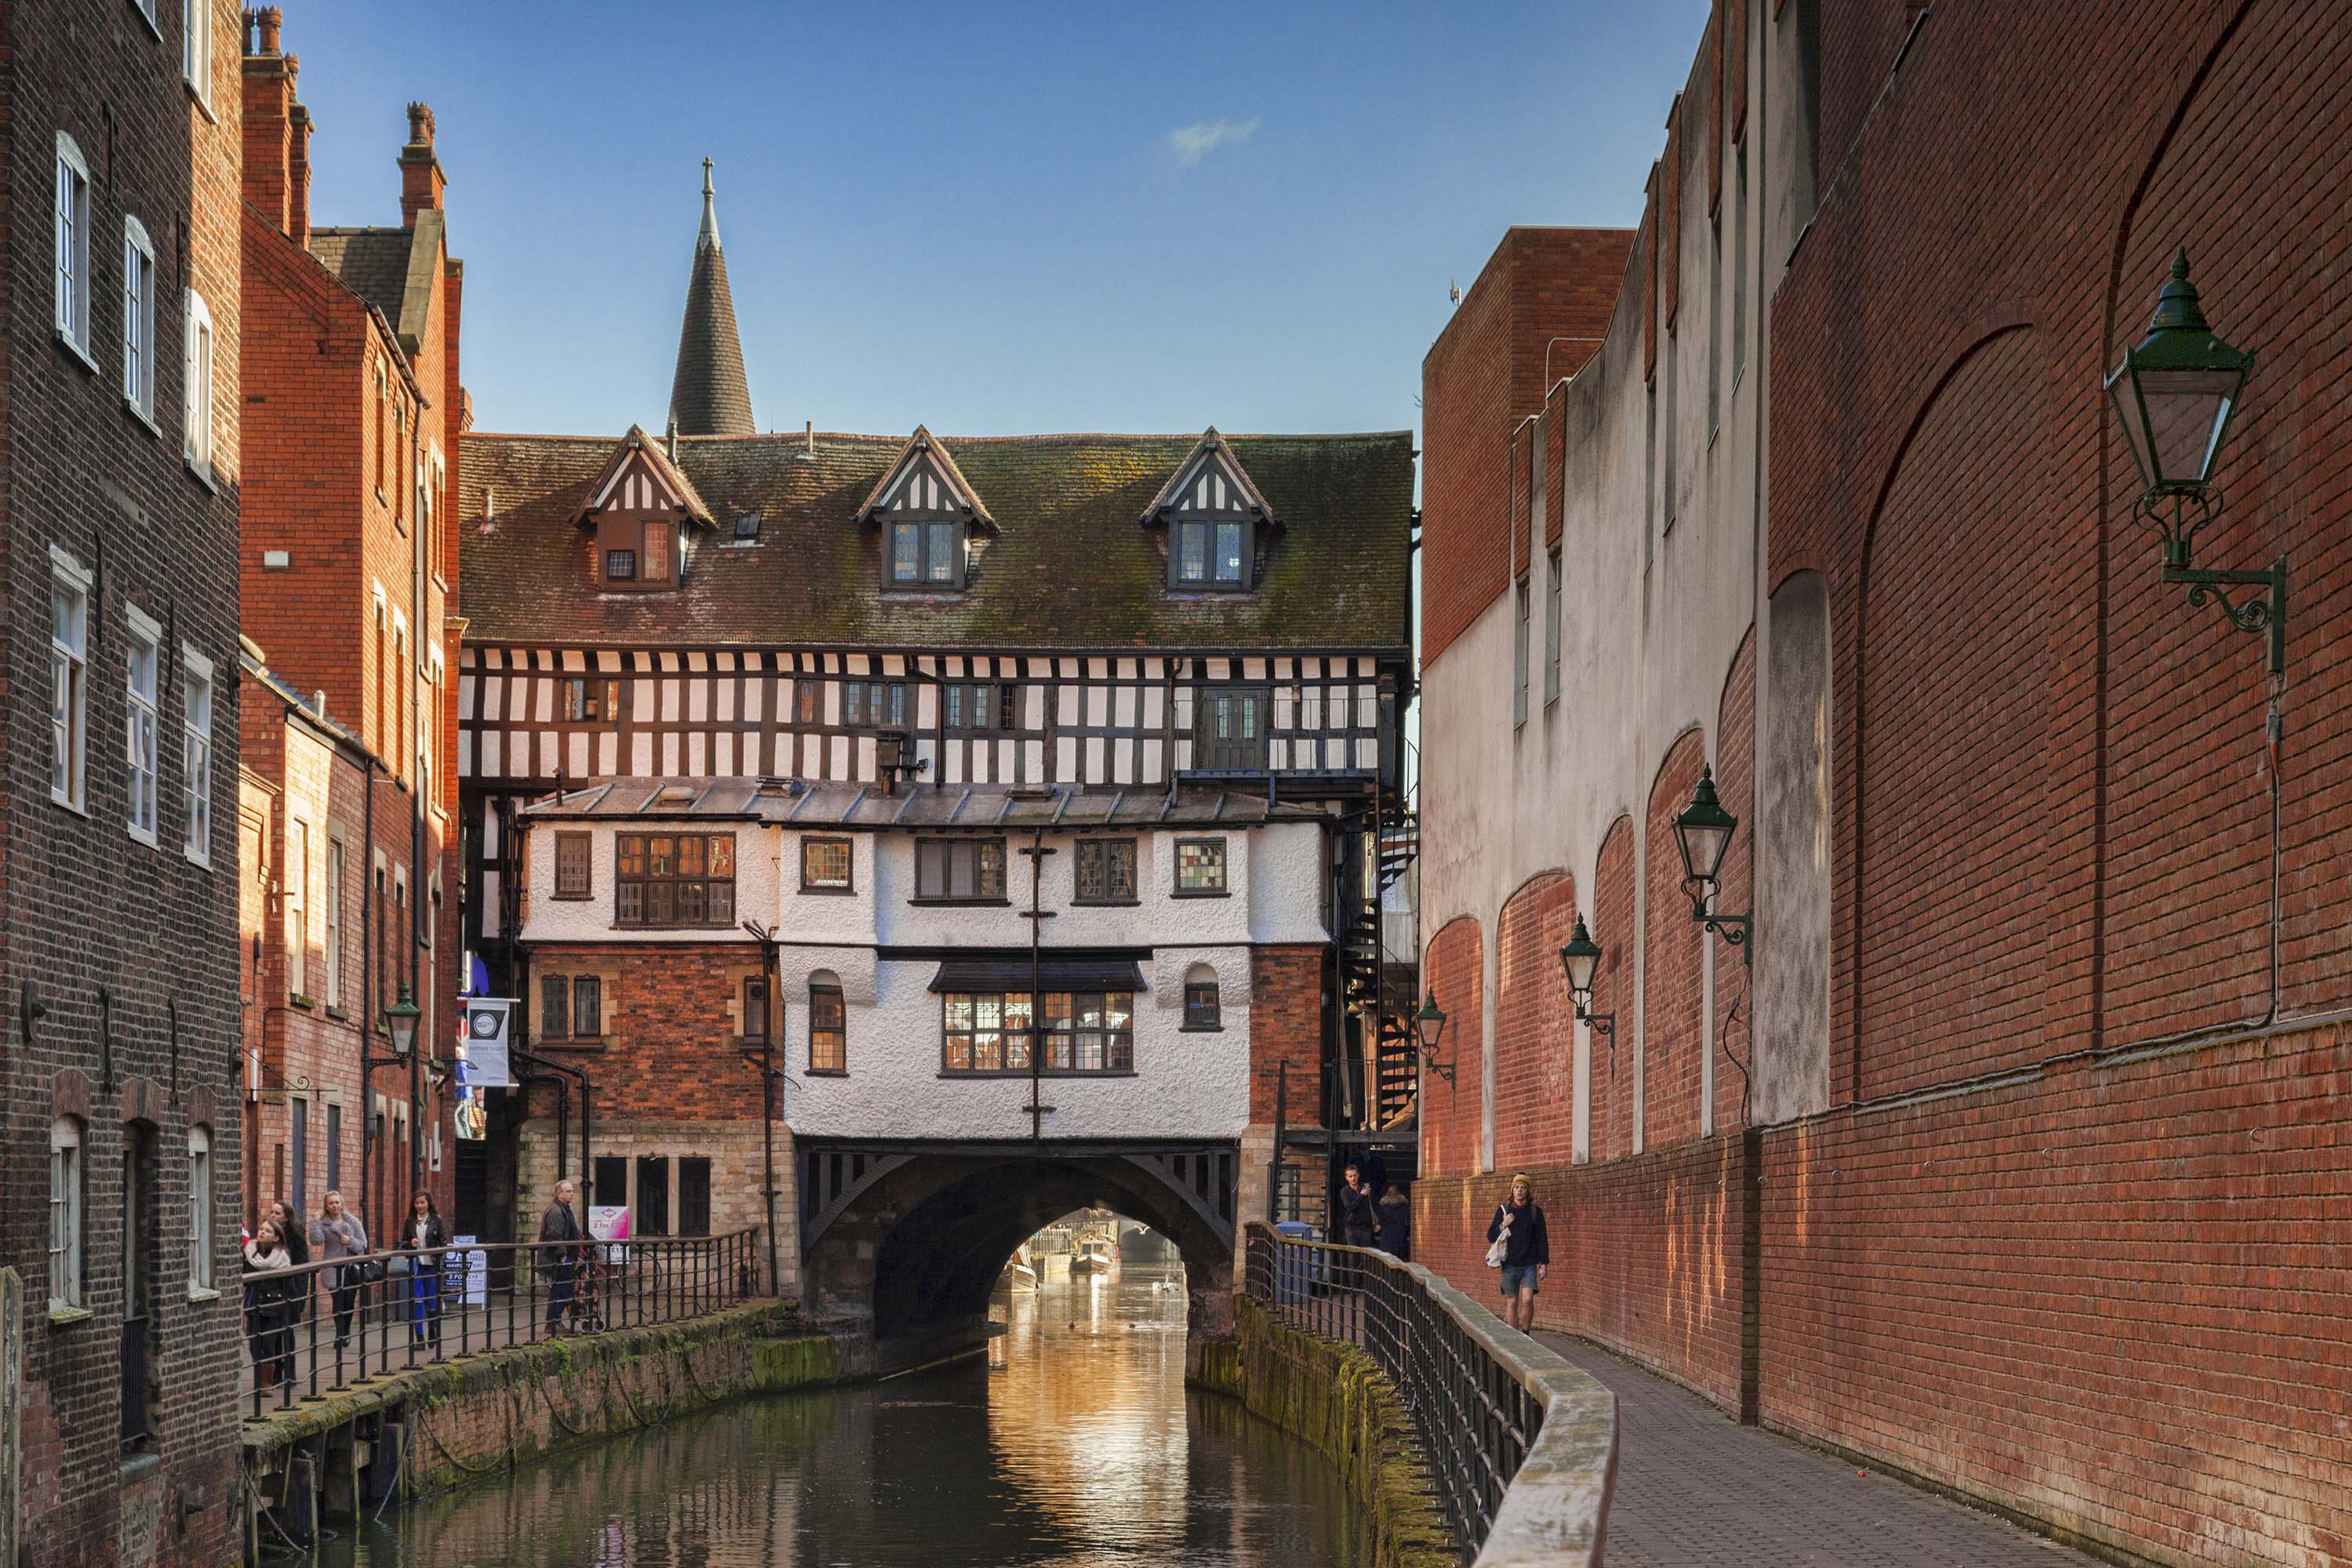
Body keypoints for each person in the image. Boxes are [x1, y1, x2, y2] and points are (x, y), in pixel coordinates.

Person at [1486, 1174, 1550, 1332]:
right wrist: (1503, 1224)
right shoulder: (1504, 1211)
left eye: (1523, 1188)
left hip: (1529, 1264)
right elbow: (1491, 1236)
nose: (1519, 1191)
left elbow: (1542, 1238)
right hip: (1510, 1264)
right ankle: (1514, 1338)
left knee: (1527, 1300)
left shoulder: (1535, 1212)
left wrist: (1543, 1264)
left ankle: (1526, 1334)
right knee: (1512, 1303)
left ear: (1527, 1191)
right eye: (1517, 1187)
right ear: (1512, 1190)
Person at [310, 1189, 369, 1349]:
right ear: (326, 1206)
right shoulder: (324, 1223)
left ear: (341, 1203)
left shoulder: (353, 1222)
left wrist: (350, 1241)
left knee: (349, 1301)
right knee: (337, 1300)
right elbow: (317, 1241)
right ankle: (339, 1333)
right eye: (331, 1203)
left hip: (350, 1267)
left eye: (337, 1202)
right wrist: (315, 1222)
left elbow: (363, 1245)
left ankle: (347, 1330)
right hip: (332, 1266)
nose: (335, 1205)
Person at [242, 1221, 294, 1388]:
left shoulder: (282, 1258)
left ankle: (265, 1383)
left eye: (267, 1230)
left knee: (268, 1344)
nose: (262, 1232)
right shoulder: (249, 1253)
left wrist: (291, 1308)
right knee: (254, 1343)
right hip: (254, 1303)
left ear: (276, 1237)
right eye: (261, 1229)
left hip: (274, 1304)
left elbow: (288, 1285)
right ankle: (260, 1378)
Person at [398, 1191, 448, 1346]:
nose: (419, 1206)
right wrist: (410, 1243)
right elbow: (403, 1242)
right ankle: (419, 1337)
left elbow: (443, 1243)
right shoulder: (410, 1221)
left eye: (422, 1203)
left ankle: (432, 1329)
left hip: (431, 1266)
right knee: (418, 1301)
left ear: (428, 1203)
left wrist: (440, 1260)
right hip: (416, 1266)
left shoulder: (436, 1220)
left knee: (431, 1302)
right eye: (416, 1203)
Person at [539, 1179, 583, 1333]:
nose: (572, 1194)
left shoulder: (563, 1209)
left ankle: (555, 1320)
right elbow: (555, 1235)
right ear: (560, 1193)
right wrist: (563, 1255)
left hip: (566, 1257)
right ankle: (552, 1322)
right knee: (560, 1289)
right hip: (559, 1259)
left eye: (572, 1191)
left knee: (563, 1289)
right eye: (569, 1191)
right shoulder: (556, 1211)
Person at [271, 1198, 310, 1335]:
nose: (273, 1215)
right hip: (271, 1289)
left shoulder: (296, 1236)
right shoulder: (267, 1233)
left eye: (277, 1213)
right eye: (272, 1212)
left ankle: (288, 1357)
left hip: (290, 1287)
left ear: (286, 1218)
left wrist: (300, 1296)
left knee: (287, 1331)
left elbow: (302, 1265)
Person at [1334, 1162, 1378, 1248]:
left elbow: (1374, 1204)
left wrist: (1378, 1222)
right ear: (1346, 1178)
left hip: (1366, 1227)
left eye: (1355, 1175)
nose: (1353, 1178)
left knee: (1366, 1255)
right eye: (1350, 1176)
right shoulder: (1344, 1191)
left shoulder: (1365, 1187)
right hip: (1351, 1228)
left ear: (1358, 1175)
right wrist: (1361, 1195)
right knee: (1353, 1256)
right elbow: (1350, 1207)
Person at [1375, 1185, 1412, 1261]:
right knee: (1399, 1255)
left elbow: (1381, 1218)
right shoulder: (1404, 1204)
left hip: (1387, 1231)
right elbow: (1406, 1220)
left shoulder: (1383, 1205)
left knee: (1385, 1255)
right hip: (1400, 1231)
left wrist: (1380, 1225)